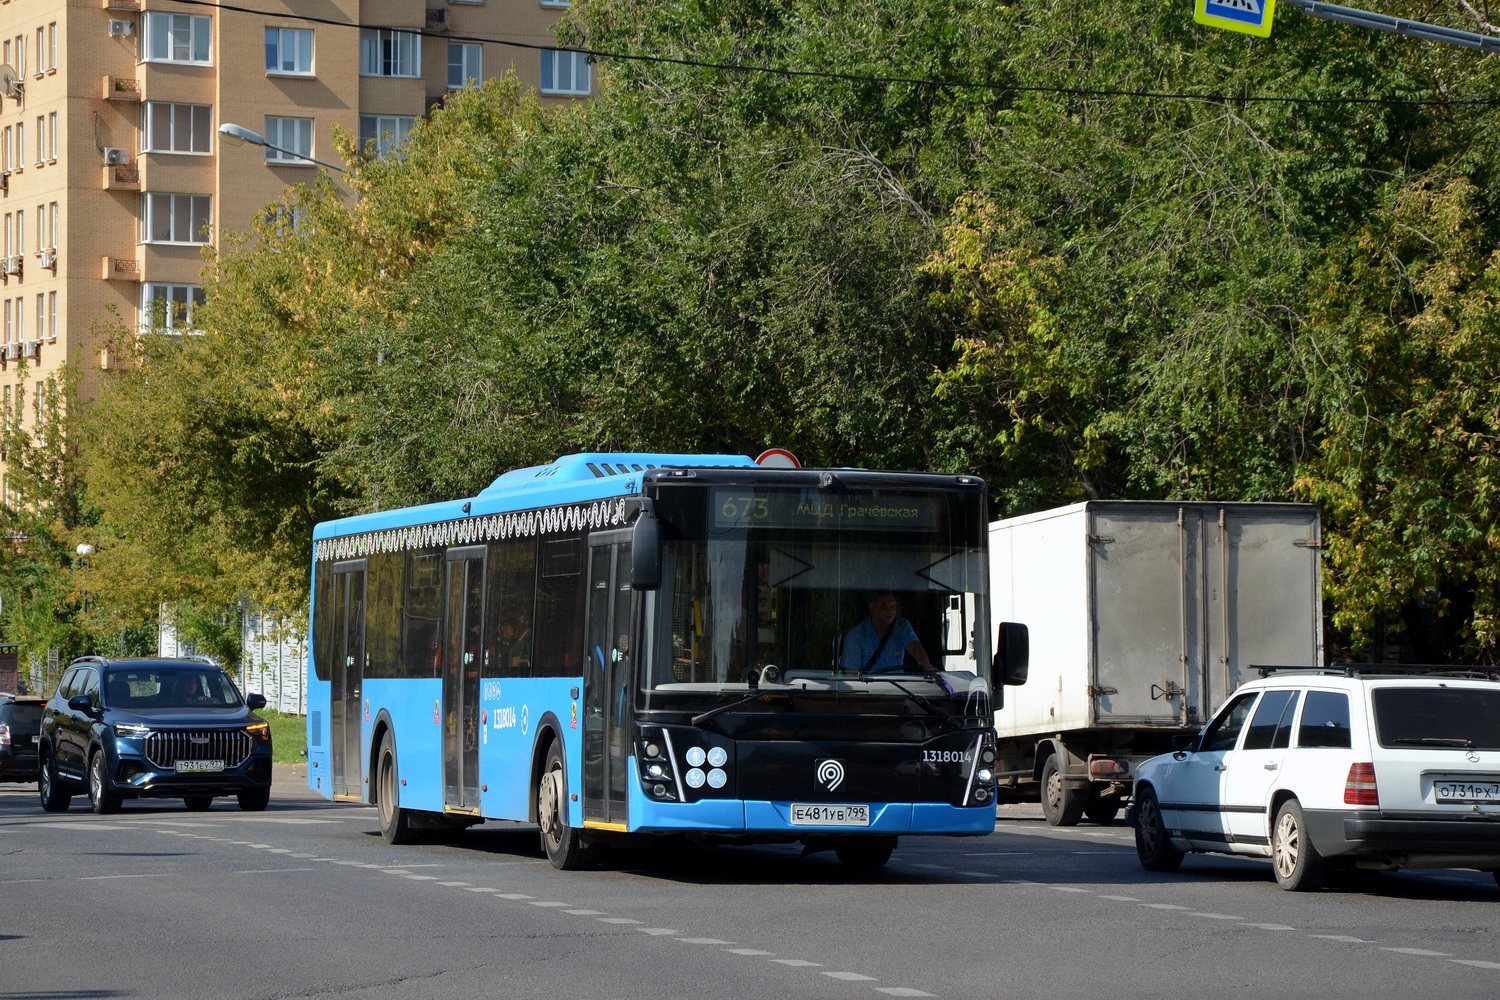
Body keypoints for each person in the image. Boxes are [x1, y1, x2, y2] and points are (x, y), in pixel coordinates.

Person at [840, 591, 931, 673]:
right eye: (884, 607)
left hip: (899, 686)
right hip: (868, 686)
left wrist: (927, 667)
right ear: (872, 609)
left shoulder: (902, 627)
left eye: (893, 606)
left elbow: (916, 649)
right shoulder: (856, 636)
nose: (890, 611)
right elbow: (851, 676)